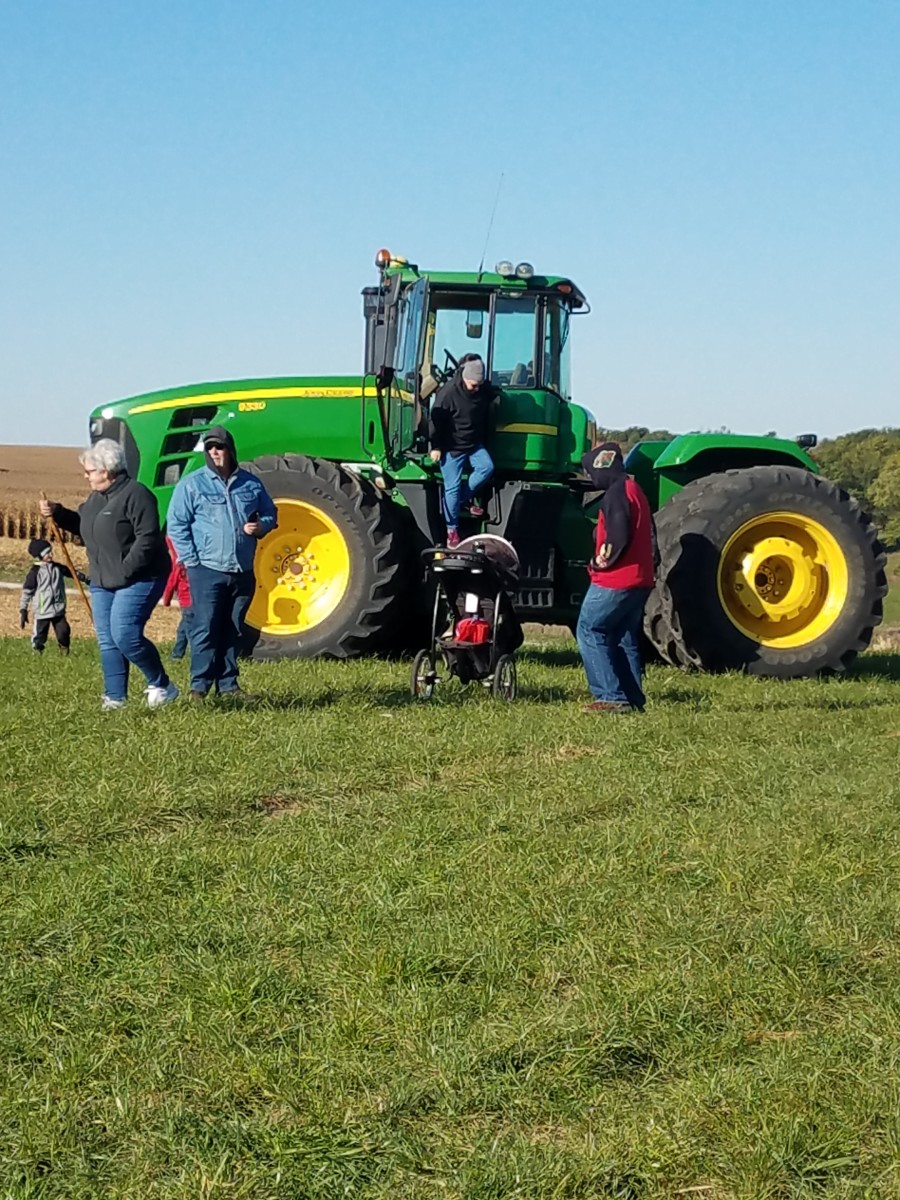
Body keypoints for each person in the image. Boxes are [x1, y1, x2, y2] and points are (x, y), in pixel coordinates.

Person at [39, 439, 178, 709]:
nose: (86, 475)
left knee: (125, 633)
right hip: (104, 581)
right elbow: (84, 526)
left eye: (90, 471)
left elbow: (147, 539)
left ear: (106, 470)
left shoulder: (137, 494)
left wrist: (125, 570)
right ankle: (115, 698)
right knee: (107, 638)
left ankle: (162, 685)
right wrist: (58, 513)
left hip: (141, 577)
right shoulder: (95, 499)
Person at [166, 425, 277, 700]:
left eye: (220, 447)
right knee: (205, 627)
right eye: (210, 447)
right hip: (206, 569)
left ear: (230, 449)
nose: (215, 452)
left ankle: (228, 686)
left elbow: (270, 513)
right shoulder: (192, 484)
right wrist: (191, 560)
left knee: (233, 628)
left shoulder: (251, 483)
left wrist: (261, 526)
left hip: (242, 570)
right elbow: (176, 524)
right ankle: (198, 687)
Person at [575, 442, 655, 713]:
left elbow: (618, 533)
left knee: (590, 629)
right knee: (623, 636)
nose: (590, 479)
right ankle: (633, 699)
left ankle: (610, 696)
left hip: (617, 579)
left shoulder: (616, 493)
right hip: (640, 578)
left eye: (590, 472)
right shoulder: (634, 489)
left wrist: (603, 561)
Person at [428, 355, 497, 548]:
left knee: (486, 467)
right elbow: (436, 420)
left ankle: (461, 499)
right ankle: (452, 531)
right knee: (452, 487)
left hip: (473, 444)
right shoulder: (448, 393)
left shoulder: (482, 389)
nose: (476, 389)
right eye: (473, 385)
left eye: (479, 385)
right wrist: (436, 446)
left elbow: (493, 396)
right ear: (465, 378)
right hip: (451, 447)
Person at [19, 538, 86, 655]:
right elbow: (27, 592)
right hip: (43, 610)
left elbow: (72, 573)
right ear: (39, 556)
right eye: (47, 553)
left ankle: (64, 651)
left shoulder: (57, 567)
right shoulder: (35, 572)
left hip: (58, 609)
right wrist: (23, 609)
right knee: (40, 635)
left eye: (51, 551)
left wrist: (84, 578)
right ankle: (37, 651)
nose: (51, 554)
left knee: (64, 632)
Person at [162, 535, 192, 660]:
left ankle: (180, 655)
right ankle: (178, 654)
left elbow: (171, 582)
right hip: (200, 600)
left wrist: (166, 600)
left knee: (188, 629)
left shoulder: (179, 564)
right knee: (185, 628)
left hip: (187, 601)